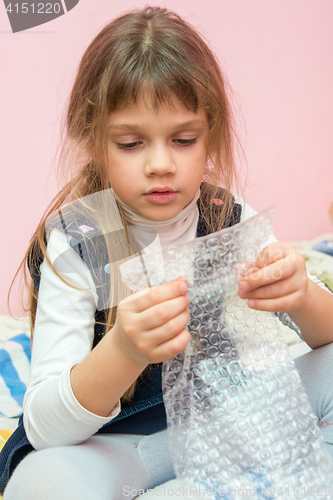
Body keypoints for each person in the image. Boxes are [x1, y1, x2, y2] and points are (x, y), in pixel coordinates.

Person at [1, 6, 333, 499]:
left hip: (227, 425)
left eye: (183, 140)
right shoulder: (79, 239)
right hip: (118, 449)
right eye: (132, 143)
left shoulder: (227, 214)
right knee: (40, 486)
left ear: (210, 135)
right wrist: (123, 351)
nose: (160, 164)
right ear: (95, 138)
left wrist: (300, 295)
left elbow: (324, 336)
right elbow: (47, 426)